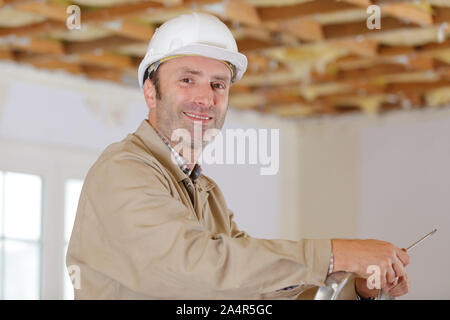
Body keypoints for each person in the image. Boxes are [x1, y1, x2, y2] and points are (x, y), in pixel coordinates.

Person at [66, 12, 410, 300]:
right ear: (150, 93)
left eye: (219, 85)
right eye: (187, 80)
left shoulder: (206, 193)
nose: (206, 98)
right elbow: (194, 269)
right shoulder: (123, 171)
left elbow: (252, 293)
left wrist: (356, 287)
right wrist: (334, 253)